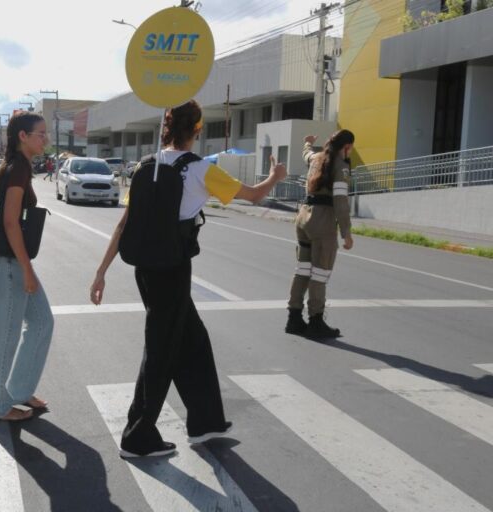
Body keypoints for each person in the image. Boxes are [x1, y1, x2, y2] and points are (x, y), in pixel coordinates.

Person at [89, 100, 287, 458]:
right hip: (173, 268)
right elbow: (255, 195)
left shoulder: (146, 165)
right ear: (196, 131)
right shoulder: (200, 170)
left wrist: (101, 271)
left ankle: (205, 420)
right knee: (161, 350)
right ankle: (138, 437)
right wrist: (276, 176)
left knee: (192, 338)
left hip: (146, 269)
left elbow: (124, 223)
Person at [0, 112, 54, 422]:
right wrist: (26, 269)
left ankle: (20, 390)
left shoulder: (21, 167)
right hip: (10, 264)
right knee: (5, 336)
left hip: (12, 261)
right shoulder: (18, 170)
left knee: (42, 322)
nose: (46, 139)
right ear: (23, 136)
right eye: (41, 133)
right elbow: (11, 221)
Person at [285, 131, 355, 338]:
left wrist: (307, 143)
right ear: (347, 147)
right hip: (323, 222)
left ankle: (294, 319)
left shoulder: (316, 158)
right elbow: (341, 202)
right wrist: (346, 232)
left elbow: (306, 154)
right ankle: (316, 322)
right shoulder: (341, 166)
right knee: (319, 274)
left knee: (303, 270)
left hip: (303, 217)